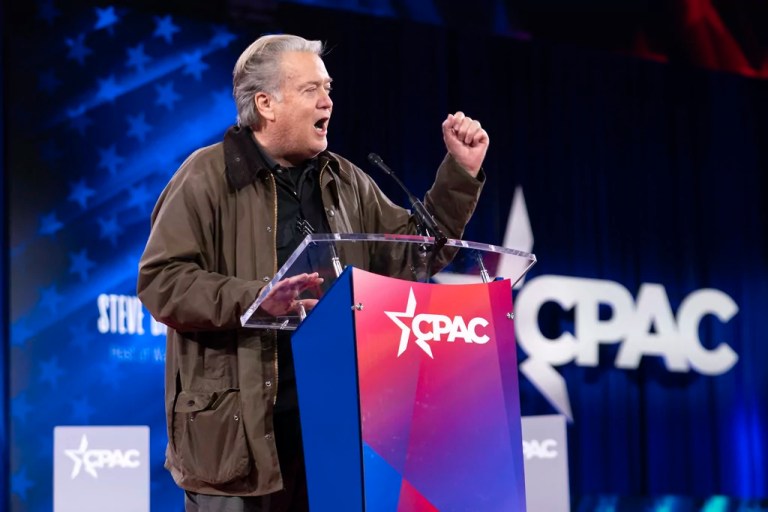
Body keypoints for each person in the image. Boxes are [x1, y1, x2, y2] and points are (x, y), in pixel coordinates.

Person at [137, 33, 489, 512]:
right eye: (311, 90)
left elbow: (413, 256)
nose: (328, 101)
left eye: (328, 89)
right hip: (237, 448)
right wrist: (257, 300)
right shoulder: (205, 176)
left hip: (336, 438)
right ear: (266, 104)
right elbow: (162, 281)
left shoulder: (345, 180)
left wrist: (459, 174)